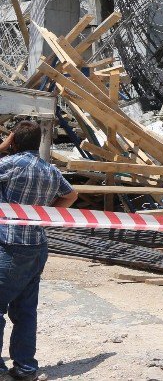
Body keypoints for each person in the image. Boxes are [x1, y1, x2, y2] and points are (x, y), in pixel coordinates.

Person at [0, 121, 77, 381]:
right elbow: (71, 195)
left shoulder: (11, 164)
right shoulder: (50, 170)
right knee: (25, 310)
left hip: (10, 245)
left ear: (14, 141)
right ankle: (25, 368)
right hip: (37, 246)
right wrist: (45, 213)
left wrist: (2, 147)